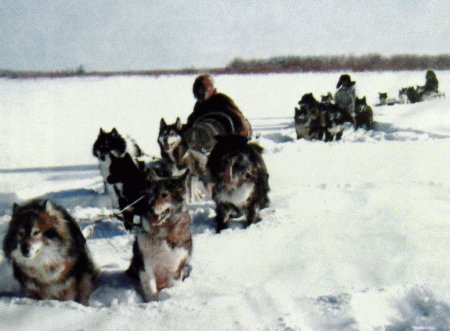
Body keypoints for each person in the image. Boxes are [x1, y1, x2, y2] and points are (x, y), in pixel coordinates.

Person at [186, 74, 252, 139]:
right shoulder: (199, 105)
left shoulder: (222, 100)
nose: (204, 91)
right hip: (207, 142)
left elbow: (237, 117)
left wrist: (242, 130)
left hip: (226, 140)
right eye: (200, 89)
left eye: (208, 86)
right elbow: (193, 121)